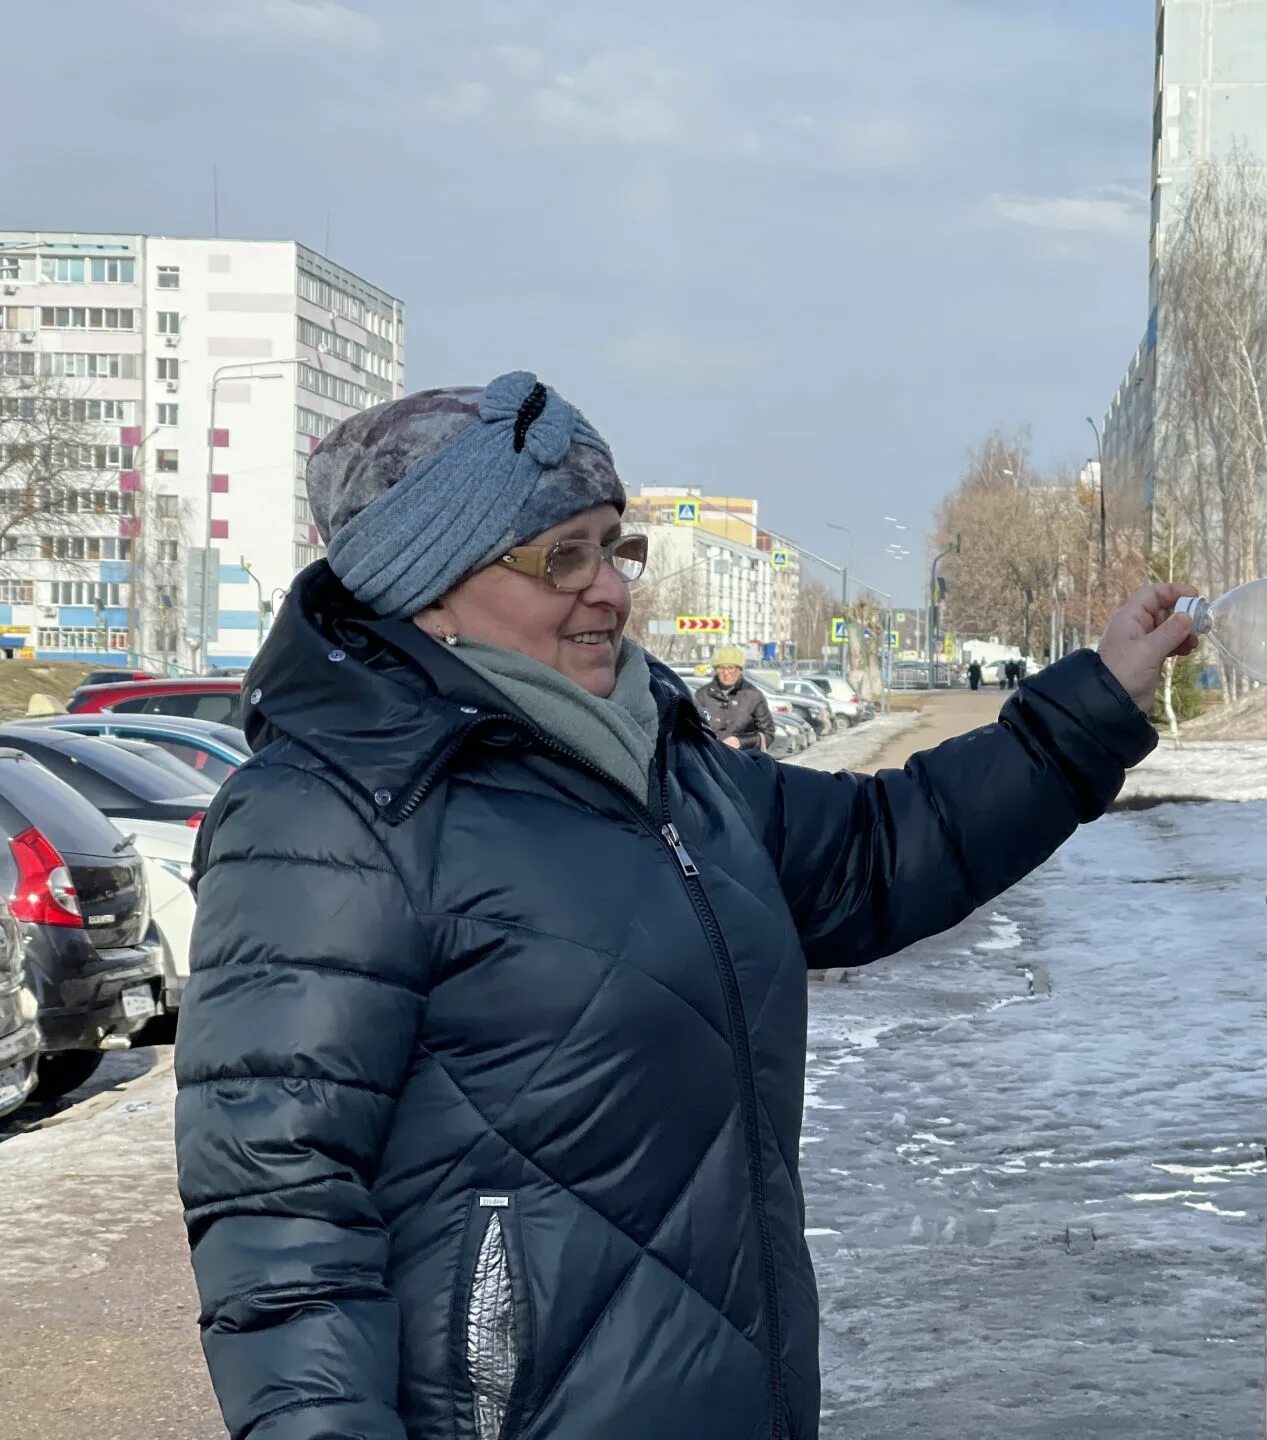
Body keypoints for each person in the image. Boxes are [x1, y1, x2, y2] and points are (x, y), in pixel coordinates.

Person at [173, 371, 1198, 1440]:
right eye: (558, 554)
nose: (609, 588)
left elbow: (888, 849)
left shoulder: (664, 768)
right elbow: (279, 1208)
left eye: (614, 546)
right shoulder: (331, 813)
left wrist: (1098, 701)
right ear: (426, 585)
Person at [696, 644, 774, 751]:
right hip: (711, 761)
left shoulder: (753, 695)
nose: (726, 672)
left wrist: (741, 741)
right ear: (716, 670)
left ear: (739, 669)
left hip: (743, 761)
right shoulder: (702, 695)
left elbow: (768, 734)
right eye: (721, 667)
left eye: (731, 667)